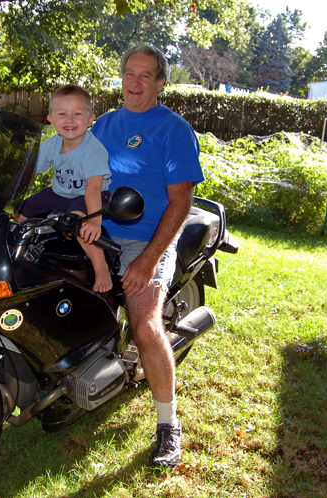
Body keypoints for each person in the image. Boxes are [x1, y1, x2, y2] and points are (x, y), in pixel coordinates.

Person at [91, 44, 205, 468]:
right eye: (129, 74)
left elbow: (180, 202)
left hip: (148, 237)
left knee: (144, 322)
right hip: (99, 231)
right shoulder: (103, 124)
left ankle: (167, 424)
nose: (135, 83)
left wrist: (146, 260)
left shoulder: (173, 130)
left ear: (160, 83)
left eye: (146, 76)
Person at [17, 84, 113, 293]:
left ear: (90, 119)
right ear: (51, 119)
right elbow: (31, 173)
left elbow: (93, 188)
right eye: (62, 114)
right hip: (59, 191)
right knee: (18, 212)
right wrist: (11, 192)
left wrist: (95, 221)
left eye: (77, 114)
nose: (69, 120)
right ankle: (22, 254)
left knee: (78, 222)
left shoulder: (93, 151)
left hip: (92, 194)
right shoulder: (51, 145)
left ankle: (101, 267)